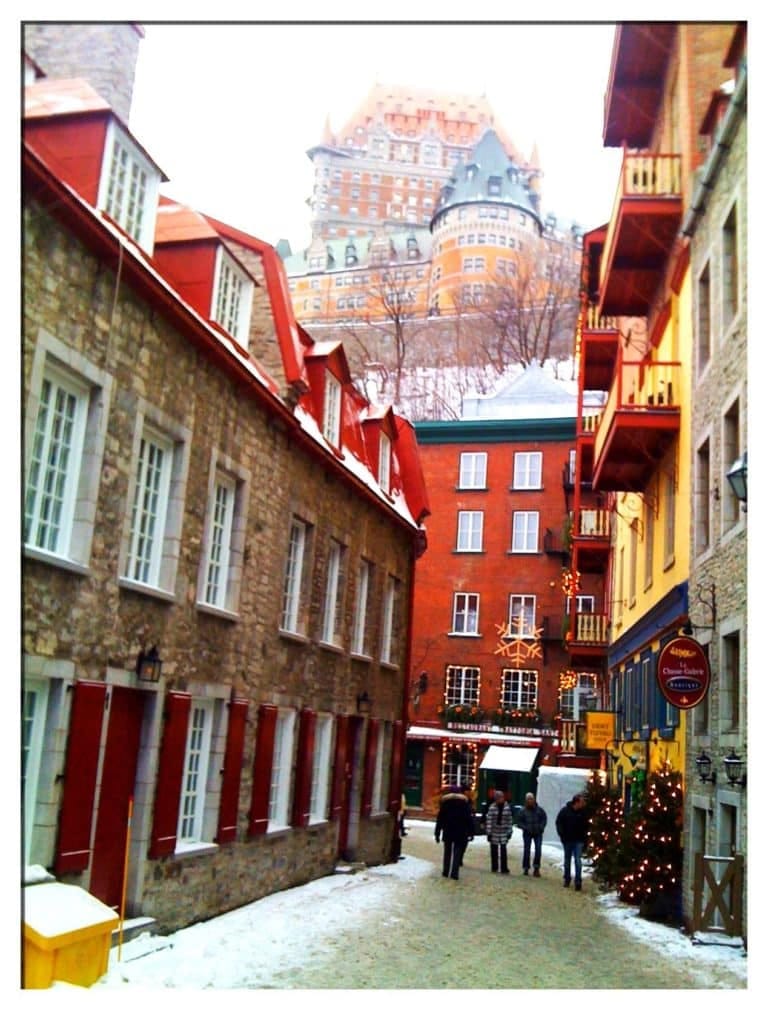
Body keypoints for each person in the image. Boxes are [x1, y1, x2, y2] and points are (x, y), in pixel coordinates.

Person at [435, 785, 475, 880]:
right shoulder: (464, 804)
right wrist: (471, 832)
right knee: (457, 852)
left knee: (447, 851)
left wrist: (437, 833)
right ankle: (454, 872)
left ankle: (445, 871)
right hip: (460, 831)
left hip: (448, 831)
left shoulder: (445, 804)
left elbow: (440, 819)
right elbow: (468, 819)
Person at [555, 793, 588, 890]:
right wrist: (562, 835)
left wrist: (585, 838)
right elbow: (559, 823)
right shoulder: (565, 811)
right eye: (582, 802)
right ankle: (567, 878)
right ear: (577, 802)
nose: (584, 804)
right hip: (568, 839)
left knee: (578, 860)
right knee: (567, 860)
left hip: (579, 840)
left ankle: (578, 881)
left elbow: (587, 826)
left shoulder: (583, 813)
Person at [515, 791, 547, 876]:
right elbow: (519, 821)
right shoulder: (523, 811)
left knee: (538, 850)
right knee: (527, 850)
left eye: (531, 799)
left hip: (538, 832)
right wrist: (525, 827)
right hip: (527, 833)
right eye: (528, 799)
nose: (530, 801)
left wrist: (541, 827)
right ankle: (526, 867)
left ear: (534, 799)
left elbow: (544, 819)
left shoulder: (540, 810)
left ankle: (536, 868)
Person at [485, 790, 513, 874]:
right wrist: (489, 833)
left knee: (503, 850)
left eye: (501, 798)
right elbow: (489, 820)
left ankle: (504, 867)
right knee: (494, 850)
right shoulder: (492, 807)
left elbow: (509, 820)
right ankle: (494, 867)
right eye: (498, 798)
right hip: (494, 831)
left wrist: (509, 832)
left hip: (503, 831)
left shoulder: (507, 808)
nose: (500, 800)